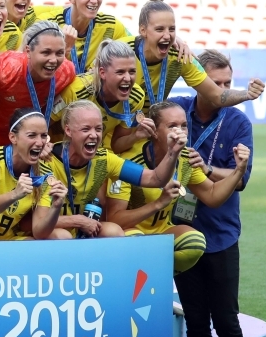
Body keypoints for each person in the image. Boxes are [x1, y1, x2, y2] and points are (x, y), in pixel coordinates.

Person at [167, 50, 255, 337]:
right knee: (197, 321)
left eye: (227, 84)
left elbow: (241, 181)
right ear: (196, 81)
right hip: (181, 232)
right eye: (215, 83)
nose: (222, 90)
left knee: (227, 320)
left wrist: (213, 168)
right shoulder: (176, 109)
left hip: (220, 234)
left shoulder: (237, 122)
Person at [104, 101, 249, 275]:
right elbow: (115, 220)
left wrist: (239, 171)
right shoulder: (128, 162)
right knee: (137, 242)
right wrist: (158, 203)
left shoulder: (185, 158)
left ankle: (158, 276)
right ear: (155, 132)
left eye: (184, 126)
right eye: (172, 126)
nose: (180, 132)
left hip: (162, 231)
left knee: (194, 242)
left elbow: (212, 196)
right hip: (130, 231)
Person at [47, 101, 185, 240]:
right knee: (63, 236)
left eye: (98, 129)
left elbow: (154, 179)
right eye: (86, 129)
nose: (94, 135)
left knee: (113, 231)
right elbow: (32, 223)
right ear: (68, 130)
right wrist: (77, 220)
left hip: (82, 229)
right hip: (50, 231)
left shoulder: (104, 159)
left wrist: (172, 152)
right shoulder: (47, 159)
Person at [128, 0, 265, 109]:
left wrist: (247, 94)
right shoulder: (122, 51)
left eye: (172, 29)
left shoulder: (181, 56)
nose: (167, 35)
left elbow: (217, 95)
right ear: (143, 30)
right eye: (160, 29)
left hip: (147, 131)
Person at [0, 21, 77, 159]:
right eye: (46, 52)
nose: (53, 60)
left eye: (59, 53)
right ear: (28, 51)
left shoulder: (66, 72)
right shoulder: (5, 70)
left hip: (21, 142)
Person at [0, 108, 68, 240]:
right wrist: (15, 194)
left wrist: (56, 206)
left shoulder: (44, 174)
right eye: (32, 135)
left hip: (7, 238)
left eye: (44, 135)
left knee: (58, 238)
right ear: (13, 137)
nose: (40, 143)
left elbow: (39, 232)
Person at [52, 39, 146, 154]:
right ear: (102, 73)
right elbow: (45, 123)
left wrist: (136, 136)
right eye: (120, 72)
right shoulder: (76, 91)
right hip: (57, 152)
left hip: (91, 152)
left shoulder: (135, 98)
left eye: (132, 72)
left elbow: (116, 146)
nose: (127, 78)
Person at [40, 0, 127, 75]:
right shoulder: (47, 25)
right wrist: (63, 50)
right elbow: (36, 76)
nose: (95, 0)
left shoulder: (112, 26)